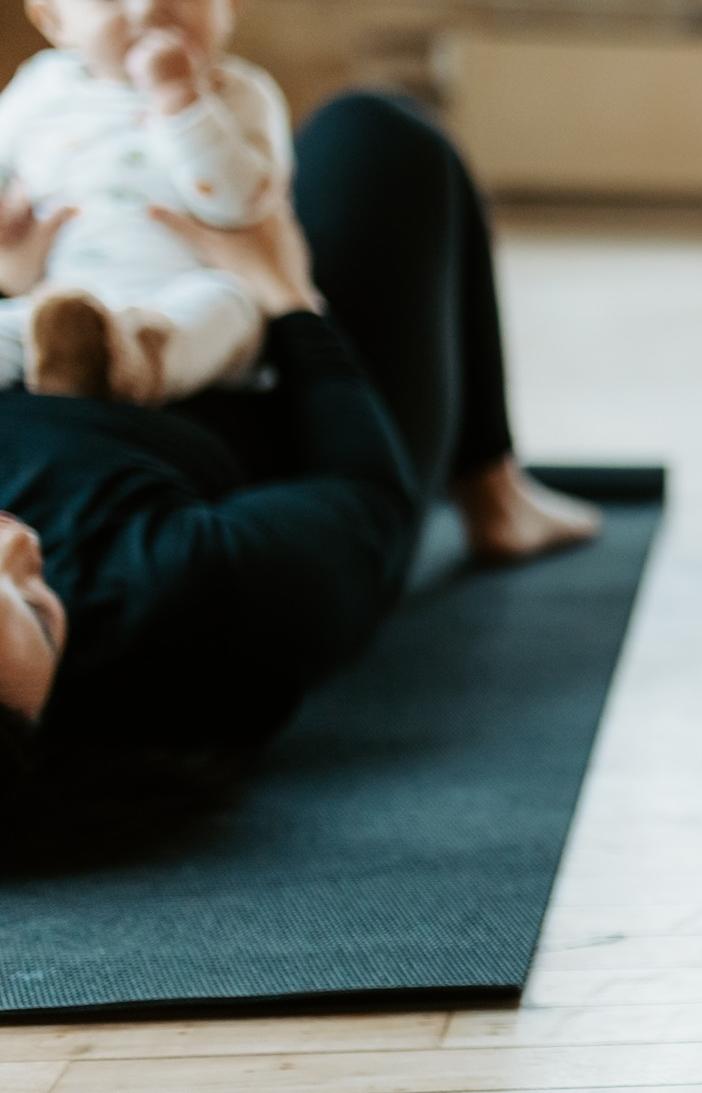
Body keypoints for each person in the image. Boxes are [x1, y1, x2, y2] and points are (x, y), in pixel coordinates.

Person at [0, 93, 599, 842]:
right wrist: (283, 290)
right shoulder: (185, 601)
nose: (20, 550)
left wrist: (12, 280)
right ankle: (493, 494)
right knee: (378, 137)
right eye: (38, 610)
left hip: (83, 339)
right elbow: (363, 491)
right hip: (288, 415)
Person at [0, 0, 292, 404]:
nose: (149, 7)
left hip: (184, 296)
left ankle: (141, 360)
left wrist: (180, 99)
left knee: (228, 306)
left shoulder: (240, 92)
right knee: (14, 330)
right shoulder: (39, 88)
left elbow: (241, 204)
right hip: (54, 302)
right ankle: (76, 364)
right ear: (53, 20)